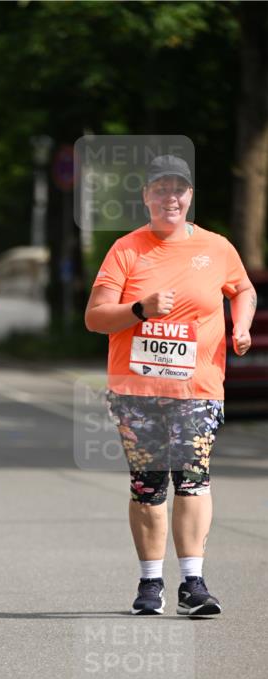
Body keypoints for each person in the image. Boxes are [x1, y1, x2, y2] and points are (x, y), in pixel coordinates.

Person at [85, 154, 255, 617]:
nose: (170, 198)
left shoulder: (217, 248)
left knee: (193, 481)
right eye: (160, 189)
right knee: (148, 485)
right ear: (146, 196)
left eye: (178, 189)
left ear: (190, 196)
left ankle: (193, 583)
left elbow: (242, 289)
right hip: (136, 392)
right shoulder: (126, 250)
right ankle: (150, 584)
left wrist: (241, 326)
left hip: (197, 388)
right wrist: (140, 309)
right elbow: (95, 317)